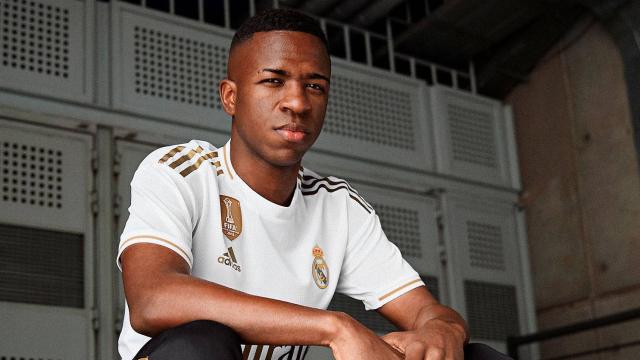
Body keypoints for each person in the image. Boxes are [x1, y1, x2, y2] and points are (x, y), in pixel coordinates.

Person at [117, 8, 512, 360]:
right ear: (230, 97)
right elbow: (152, 298)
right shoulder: (183, 171)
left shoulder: (339, 207)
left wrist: (441, 330)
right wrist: (335, 328)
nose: (298, 103)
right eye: (274, 81)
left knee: (477, 357)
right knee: (200, 342)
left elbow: (427, 311)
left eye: (314, 86)